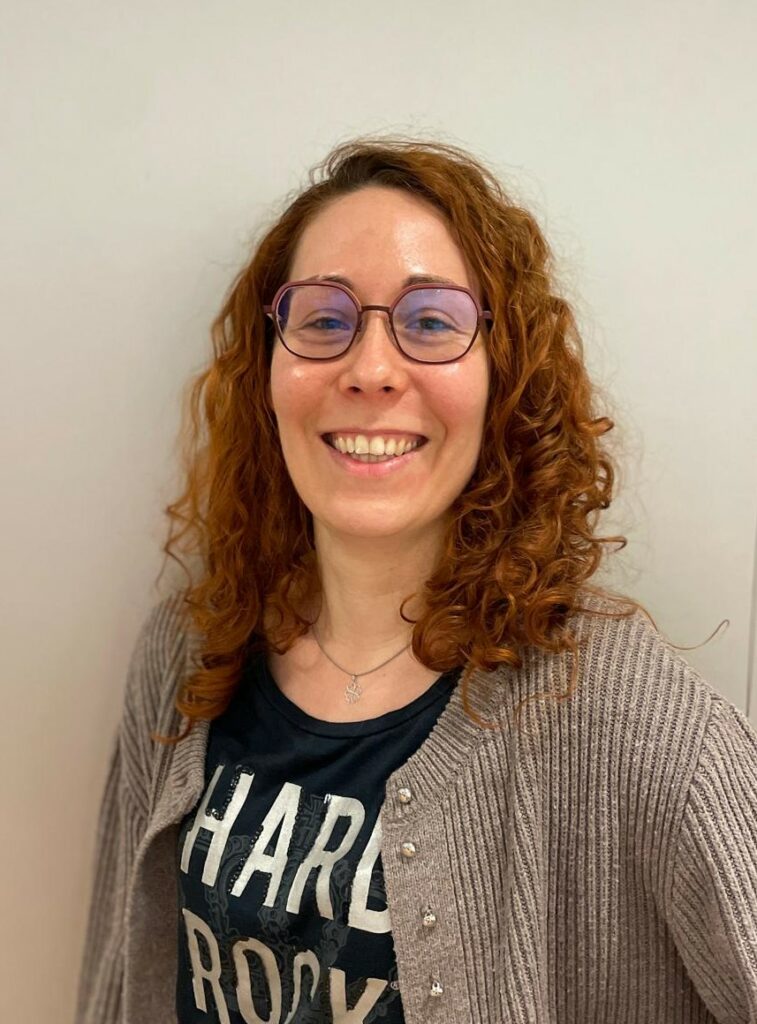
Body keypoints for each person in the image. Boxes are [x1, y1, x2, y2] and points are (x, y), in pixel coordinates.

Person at [75, 137, 757, 1024]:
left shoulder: (633, 720)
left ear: (501, 375)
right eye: (323, 320)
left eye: (431, 322)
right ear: (268, 372)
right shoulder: (187, 652)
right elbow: (114, 985)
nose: (369, 370)